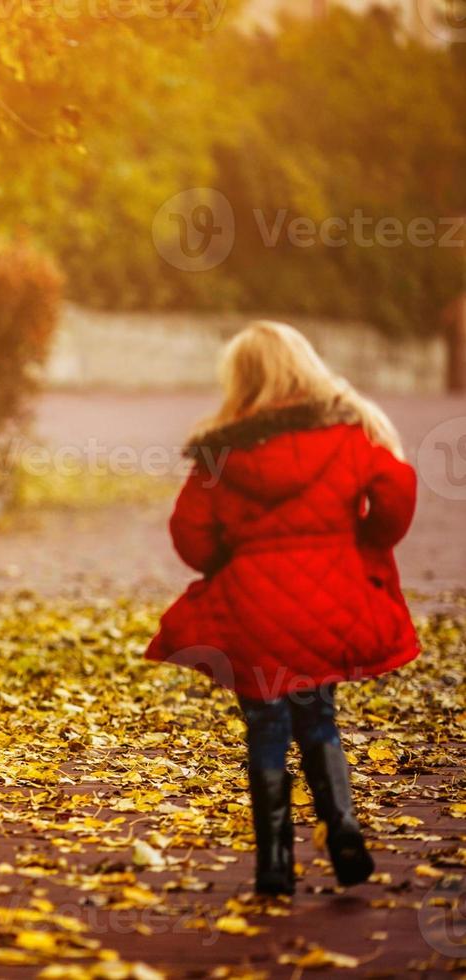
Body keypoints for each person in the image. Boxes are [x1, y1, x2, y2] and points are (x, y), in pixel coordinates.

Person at [145, 320, 418, 897]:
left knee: (265, 727)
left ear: (242, 381)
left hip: (251, 613)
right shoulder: (347, 435)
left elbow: (190, 536)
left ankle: (274, 862)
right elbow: (395, 494)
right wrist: (365, 538)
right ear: (303, 367)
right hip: (328, 605)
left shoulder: (220, 453)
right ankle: (342, 828)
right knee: (318, 718)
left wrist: (230, 561)